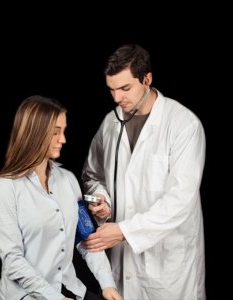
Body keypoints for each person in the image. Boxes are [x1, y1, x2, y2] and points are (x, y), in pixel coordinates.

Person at [81, 44, 206, 299]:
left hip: (168, 264)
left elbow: (181, 199)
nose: (117, 98)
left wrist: (125, 231)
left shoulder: (183, 124)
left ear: (147, 79)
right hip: (122, 264)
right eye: (112, 90)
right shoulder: (110, 123)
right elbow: (92, 176)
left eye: (125, 88)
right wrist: (102, 200)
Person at [0, 96, 121, 300]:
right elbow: (13, 261)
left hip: (71, 289)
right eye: (55, 132)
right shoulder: (4, 189)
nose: (63, 139)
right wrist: (54, 298)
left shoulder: (68, 180)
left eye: (63, 131)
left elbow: (87, 238)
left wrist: (107, 285)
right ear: (35, 133)